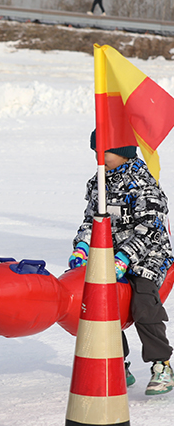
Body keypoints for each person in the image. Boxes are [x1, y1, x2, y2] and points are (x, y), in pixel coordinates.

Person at [68, 131, 173, 395]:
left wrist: (125, 257)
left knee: (142, 303)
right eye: (95, 151)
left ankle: (162, 364)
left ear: (124, 151)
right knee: (100, 304)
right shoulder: (97, 183)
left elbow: (151, 227)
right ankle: (117, 362)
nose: (98, 157)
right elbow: (91, 221)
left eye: (104, 151)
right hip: (108, 256)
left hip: (148, 255)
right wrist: (82, 247)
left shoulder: (142, 183)